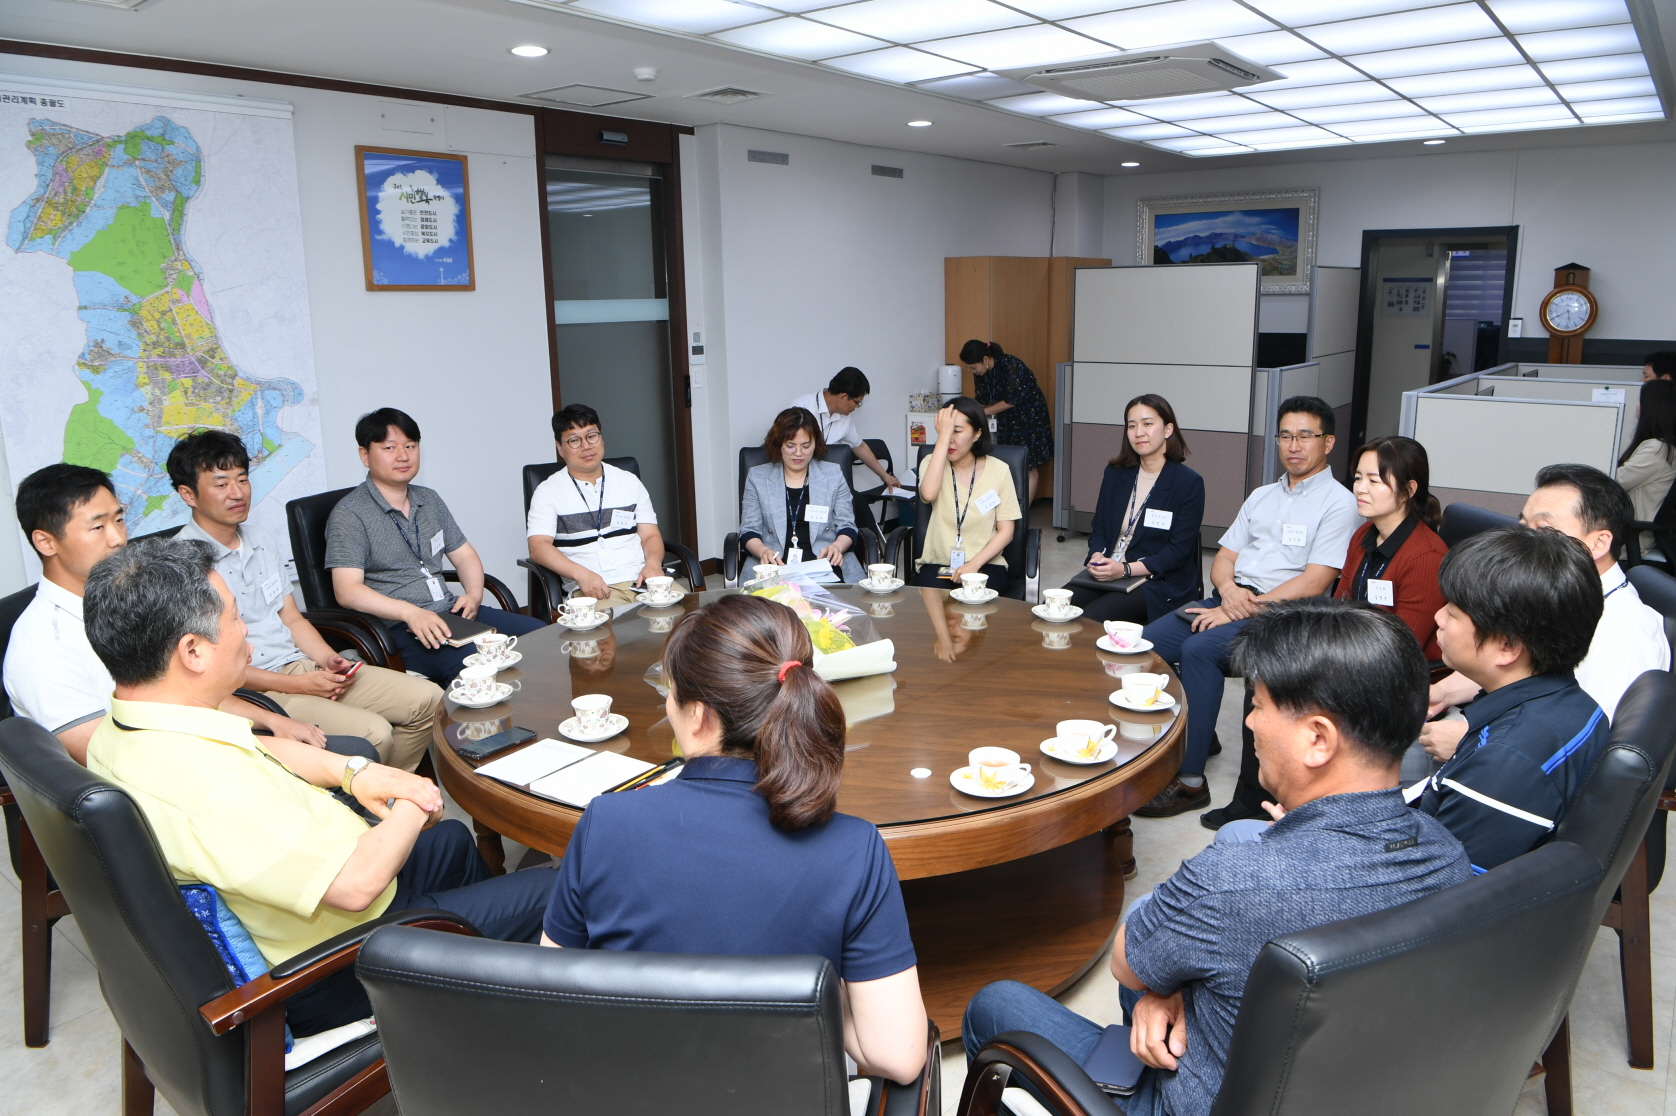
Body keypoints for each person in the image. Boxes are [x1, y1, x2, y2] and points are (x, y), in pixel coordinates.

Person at [963, 599, 1467, 1115]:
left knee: (996, 1003)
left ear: (1318, 739)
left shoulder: (1235, 878)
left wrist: (1163, 984)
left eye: (1260, 704)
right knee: (1155, 987)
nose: (1248, 721)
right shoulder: (1446, 854)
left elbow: (1125, 962)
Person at [80, 538, 553, 1035]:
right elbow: (355, 886)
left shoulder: (127, 726)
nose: (249, 639)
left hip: (331, 897)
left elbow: (260, 746)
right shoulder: (211, 787)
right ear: (192, 652)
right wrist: (414, 796)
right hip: (337, 963)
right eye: (236, 620)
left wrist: (357, 771)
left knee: (453, 843)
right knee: (556, 889)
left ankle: (489, 1008)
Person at [541, 594, 927, 1085]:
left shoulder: (607, 821)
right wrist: (833, 989)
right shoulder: (855, 848)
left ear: (698, 715)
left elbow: (553, 999)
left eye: (670, 690)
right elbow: (898, 1056)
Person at [3, 464, 341, 764]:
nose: (118, 539)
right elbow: (106, 758)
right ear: (46, 543)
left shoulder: (132, 602)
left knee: (341, 752)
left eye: (119, 520)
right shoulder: (42, 646)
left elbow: (190, 693)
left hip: (197, 747)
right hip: (163, 780)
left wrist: (274, 722)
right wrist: (252, 752)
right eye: (97, 528)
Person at [166, 431, 443, 772]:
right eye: (221, 484)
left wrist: (328, 660)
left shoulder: (262, 540)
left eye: (242, 479)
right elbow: (210, 669)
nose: (237, 493)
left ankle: (388, 801)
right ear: (188, 494)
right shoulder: (180, 563)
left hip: (300, 667)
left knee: (429, 700)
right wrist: (296, 685)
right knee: (375, 734)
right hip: (250, 689)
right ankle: (374, 806)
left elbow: (293, 619)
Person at [1137, 396, 1359, 818]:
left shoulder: (1339, 502)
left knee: (1198, 651)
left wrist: (1241, 607)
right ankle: (1197, 729)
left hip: (1284, 616)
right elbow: (1223, 558)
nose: (1293, 445)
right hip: (1233, 597)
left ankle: (1189, 781)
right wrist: (1227, 592)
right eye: (1285, 436)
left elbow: (1315, 581)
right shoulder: (1262, 495)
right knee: (1144, 647)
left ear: (1327, 443)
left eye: (1305, 436)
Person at [1424, 465, 1668, 757]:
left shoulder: (1624, 634)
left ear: (1599, 543)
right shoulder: (1550, 597)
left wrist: (1472, 741)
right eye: (1524, 527)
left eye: (1544, 530)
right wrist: (1442, 693)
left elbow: (1585, 743)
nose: (1524, 541)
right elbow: (1509, 663)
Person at [1409, 527, 1613, 871]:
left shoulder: (1504, 763)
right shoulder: (1569, 702)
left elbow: (1442, 893)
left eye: (1454, 612)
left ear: (1507, 647)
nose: (1438, 617)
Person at [326, 407, 545, 684]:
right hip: (398, 629)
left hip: (450, 614)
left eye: (410, 446)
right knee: (474, 666)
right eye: (389, 447)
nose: (403, 456)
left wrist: (474, 594)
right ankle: (484, 728)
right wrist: (411, 613)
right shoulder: (350, 513)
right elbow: (347, 591)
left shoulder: (429, 500)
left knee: (541, 636)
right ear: (364, 455)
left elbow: (464, 555)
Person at [1065, 394, 1204, 624]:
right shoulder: (1115, 473)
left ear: (1168, 429)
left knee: (1091, 620)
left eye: (1148, 424)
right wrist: (1097, 555)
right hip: (1110, 573)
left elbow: (1177, 554)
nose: (1139, 432)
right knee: (1055, 611)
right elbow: (1099, 528)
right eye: (1132, 425)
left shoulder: (1187, 483)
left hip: (1157, 581)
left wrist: (1125, 569)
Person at [525, 404, 669, 607]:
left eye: (592, 436)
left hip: (642, 581)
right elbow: (538, 547)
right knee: (613, 634)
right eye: (574, 440)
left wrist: (653, 565)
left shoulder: (629, 481)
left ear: (601, 438)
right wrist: (581, 574)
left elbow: (650, 534)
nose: (586, 446)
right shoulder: (547, 491)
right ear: (560, 448)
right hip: (593, 588)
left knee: (691, 623)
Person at [1332, 436, 1447, 660]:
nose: (1360, 489)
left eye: (1374, 481)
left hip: (1393, 669)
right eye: (1358, 478)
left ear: (1408, 489)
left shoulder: (1426, 557)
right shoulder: (1363, 535)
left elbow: (1403, 646)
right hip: (1352, 651)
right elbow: (1339, 604)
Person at [912, 397, 1022, 595]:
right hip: (938, 564)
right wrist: (943, 440)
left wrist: (973, 564)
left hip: (986, 565)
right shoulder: (932, 462)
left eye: (957, 431)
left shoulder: (999, 470)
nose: (950, 439)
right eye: (945, 430)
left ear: (977, 434)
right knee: (932, 608)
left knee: (974, 606)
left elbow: (1006, 531)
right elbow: (928, 494)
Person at [740, 407, 864, 582]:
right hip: (775, 563)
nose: (798, 453)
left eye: (806, 446)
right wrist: (763, 551)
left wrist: (837, 546)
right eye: (790, 446)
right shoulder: (757, 477)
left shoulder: (832, 474)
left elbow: (847, 525)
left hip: (824, 561)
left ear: (816, 444)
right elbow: (749, 530)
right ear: (778, 444)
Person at [961, 340, 1053, 506]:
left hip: (1028, 418)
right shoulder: (981, 374)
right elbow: (981, 399)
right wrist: (967, 411)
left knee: (1028, 464)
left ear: (985, 359)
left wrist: (984, 412)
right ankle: (1006, 509)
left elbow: (1012, 400)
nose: (972, 371)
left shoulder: (1012, 365)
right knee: (1005, 461)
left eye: (973, 367)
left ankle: (1023, 513)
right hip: (1005, 419)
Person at [789, 367, 898, 491]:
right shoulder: (800, 407)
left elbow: (859, 446)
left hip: (829, 481)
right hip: (798, 482)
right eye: (858, 402)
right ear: (843, 397)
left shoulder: (844, 417)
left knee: (859, 506)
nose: (857, 407)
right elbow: (785, 449)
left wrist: (885, 476)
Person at [1617, 378, 1676, 555]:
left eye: (1640, 401)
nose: (1637, 406)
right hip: (1634, 532)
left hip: (1631, 538)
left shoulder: (1657, 449)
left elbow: (1616, 482)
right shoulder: (1664, 446)